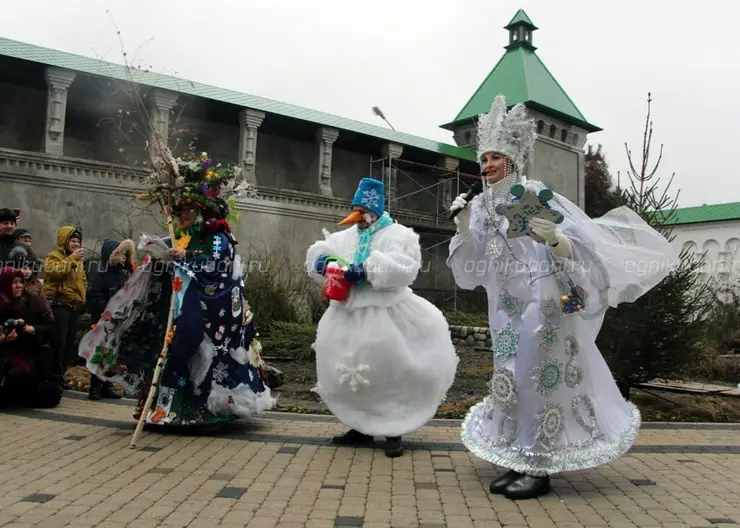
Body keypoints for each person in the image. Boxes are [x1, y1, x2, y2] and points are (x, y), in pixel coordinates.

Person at [446, 95, 680, 500]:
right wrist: (464, 227)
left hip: (544, 302)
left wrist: (555, 239)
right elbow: (472, 267)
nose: (486, 167)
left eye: (494, 158)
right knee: (511, 377)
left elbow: (580, 247)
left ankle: (539, 466)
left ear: (513, 159)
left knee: (539, 377)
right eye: (482, 160)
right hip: (505, 308)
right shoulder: (481, 206)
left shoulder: (533, 193)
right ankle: (518, 455)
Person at [78, 150, 275, 426]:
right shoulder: (175, 234)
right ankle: (157, 405)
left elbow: (218, 264)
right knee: (160, 345)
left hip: (209, 307)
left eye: (189, 211)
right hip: (169, 306)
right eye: (180, 211)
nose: (184, 217)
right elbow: (160, 262)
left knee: (194, 341)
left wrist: (189, 260)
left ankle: (197, 408)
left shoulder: (217, 235)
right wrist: (160, 258)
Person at [306, 177, 459, 457]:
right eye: (356, 212)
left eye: (363, 213)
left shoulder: (398, 234)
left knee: (390, 369)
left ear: (374, 211)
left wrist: (367, 270)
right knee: (345, 368)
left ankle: (393, 429)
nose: (359, 219)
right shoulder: (349, 233)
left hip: (385, 313)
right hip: (347, 313)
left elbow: (406, 267)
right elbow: (325, 249)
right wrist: (323, 261)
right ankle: (360, 425)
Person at [0, 266, 60, 408]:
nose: (19, 286)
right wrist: (3, 337)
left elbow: (51, 328)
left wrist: (29, 328)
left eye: (21, 281)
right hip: (4, 353)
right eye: (14, 282)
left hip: (27, 353)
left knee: (49, 394)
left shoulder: (32, 301)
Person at [85, 238, 135, 400]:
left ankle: (107, 384)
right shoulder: (101, 274)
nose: (122, 258)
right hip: (104, 319)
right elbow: (93, 296)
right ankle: (95, 385)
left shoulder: (124, 273)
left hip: (119, 319)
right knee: (100, 352)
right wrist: (107, 310)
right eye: (120, 254)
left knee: (112, 353)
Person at [43, 226, 87, 388]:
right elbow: (54, 272)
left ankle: (60, 376)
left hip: (73, 307)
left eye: (78, 241)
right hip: (58, 305)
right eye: (72, 241)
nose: (76, 244)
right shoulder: (53, 257)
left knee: (68, 345)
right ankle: (53, 378)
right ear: (64, 241)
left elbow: (82, 281)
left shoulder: (78, 261)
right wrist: (72, 259)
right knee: (58, 344)